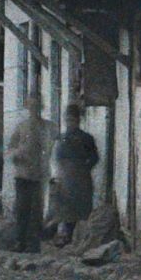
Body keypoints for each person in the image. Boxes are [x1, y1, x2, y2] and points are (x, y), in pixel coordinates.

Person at [49, 104, 100, 249]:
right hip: (66, 180)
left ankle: (82, 240)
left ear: (78, 120)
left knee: (82, 212)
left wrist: (84, 168)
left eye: (73, 119)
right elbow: (57, 159)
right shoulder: (61, 139)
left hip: (81, 180)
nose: (70, 122)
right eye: (68, 119)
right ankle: (68, 237)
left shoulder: (86, 139)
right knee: (67, 212)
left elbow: (94, 157)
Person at [5, 100, 48, 254]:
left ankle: (34, 244)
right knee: (22, 209)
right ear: (28, 108)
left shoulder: (45, 127)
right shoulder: (21, 127)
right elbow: (10, 149)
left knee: (36, 210)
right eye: (31, 107)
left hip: (37, 175)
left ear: (40, 109)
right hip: (22, 175)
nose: (33, 110)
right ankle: (20, 242)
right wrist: (18, 154)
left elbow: (49, 148)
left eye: (36, 107)